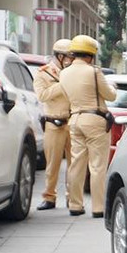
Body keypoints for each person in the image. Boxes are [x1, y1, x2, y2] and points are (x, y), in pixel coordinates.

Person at [59, 35, 116, 218]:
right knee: (98, 166)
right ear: (91, 55)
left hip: (75, 119)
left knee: (76, 165)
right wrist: (112, 86)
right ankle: (98, 207)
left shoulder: (64, 73)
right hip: (95, 120)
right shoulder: (93, 72)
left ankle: (75, 205)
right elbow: (110, 95)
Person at [32, 39, 73, 211]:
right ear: (60, 56)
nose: (71, 60)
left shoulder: (74, 73)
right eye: (69, 56)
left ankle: (73, 198)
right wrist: (62, 85)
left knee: (75, 164)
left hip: (72, 121)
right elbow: (42, 95)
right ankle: (49, 197)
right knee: (53, 164)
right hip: (53, 122)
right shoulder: (43, 73)